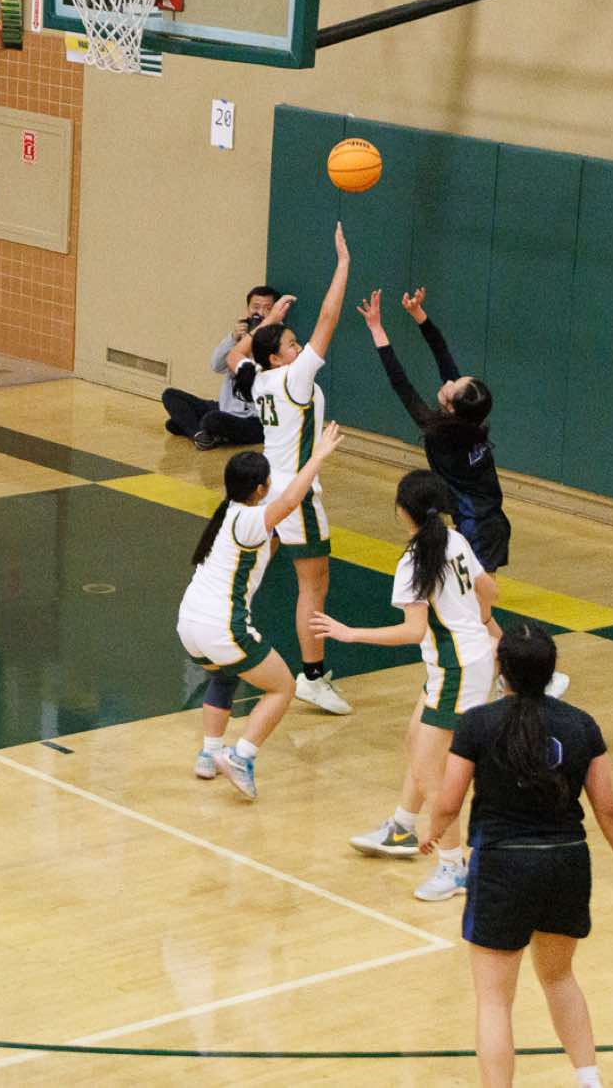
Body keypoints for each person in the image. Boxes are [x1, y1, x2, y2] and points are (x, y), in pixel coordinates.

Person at [423, 624, 613, 1088]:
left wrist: (434, 832)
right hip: (567, 862)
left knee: (494, 1001)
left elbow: (449, 801)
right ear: (551, 670)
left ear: (501, 669)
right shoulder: (581, 724)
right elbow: (606, 807)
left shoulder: (478, 724)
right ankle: (589, 1079)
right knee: (560, 978)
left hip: (503, 866)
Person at [315, 471, 505, 902]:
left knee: (432, 770)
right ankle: (402, 828)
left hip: (457, 670)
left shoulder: (414, 561)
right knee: (414, 739)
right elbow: (489, 590)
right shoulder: (455, 539)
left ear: (403, 511)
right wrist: (479, 623)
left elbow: (413, 631)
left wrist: (350, 633)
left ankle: (453, 865)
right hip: (460, 664)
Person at [180, 422, 342, 801]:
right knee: (283, 687)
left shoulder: (227, 515)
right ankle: (241, 755)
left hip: (189, 623)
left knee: (224, 677)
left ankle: (209, 754)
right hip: (221, 626)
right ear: (260, 489)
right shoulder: (251, 518)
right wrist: (317, 456)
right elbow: (289, 502)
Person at [228, 222, 352, 715]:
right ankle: (313, 677)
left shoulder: (257, 380)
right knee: (313, 586)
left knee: (253, 568)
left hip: (266, 487)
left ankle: (226, 634)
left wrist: (268, 323)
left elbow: (237, 354)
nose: (300, 348)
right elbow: (329, 318)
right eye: (292, 343)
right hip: (296, 493)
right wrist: (343, 265)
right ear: (279, 358)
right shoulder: (294, 379)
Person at [358, 287, 511, 569]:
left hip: (478, 527)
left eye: (452, 386)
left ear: (451, 408)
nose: (449, 381)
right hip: (490, 521)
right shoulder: (470, 419)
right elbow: (442, 353)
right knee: (475, 594)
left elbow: (401, 384)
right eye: (457, 379)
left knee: (479, 595)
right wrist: (418, 314)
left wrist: (376, 328)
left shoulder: (441, 435)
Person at [162, 284, 277, 450]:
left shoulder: (278, 340)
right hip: (226, 409)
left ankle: (196, 429)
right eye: (256, 307)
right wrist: (233, 338)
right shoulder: (239, 337)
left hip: (254, 419)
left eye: (267, 308)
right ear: (247, 310)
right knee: (170, 395)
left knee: (210, 420)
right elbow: (216, 365)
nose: (260, 313)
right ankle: (200, 435)